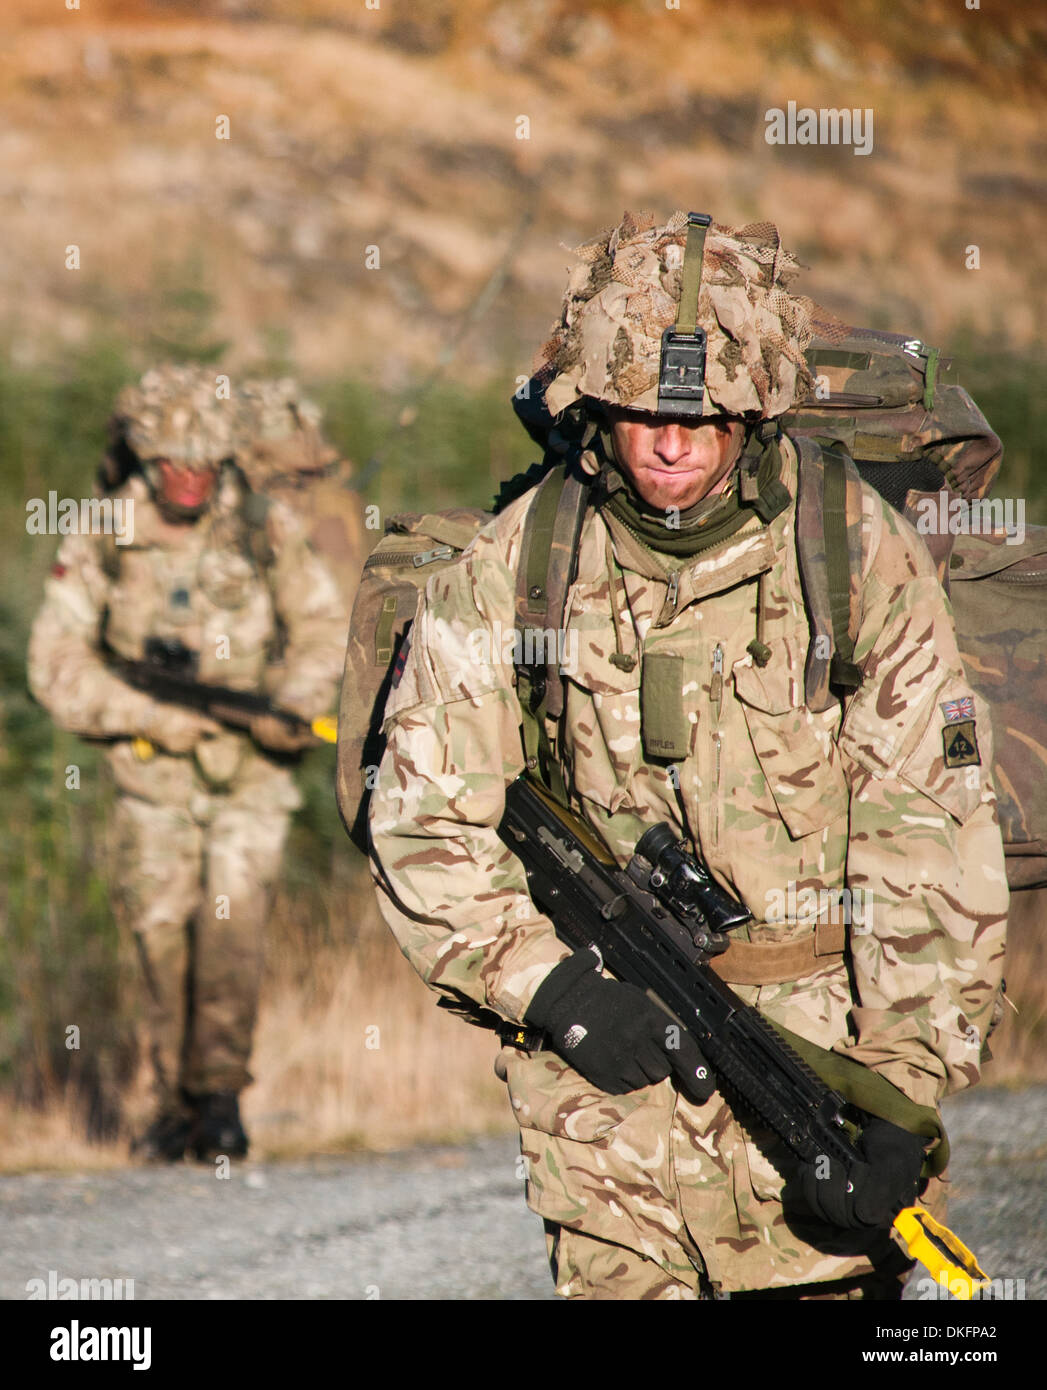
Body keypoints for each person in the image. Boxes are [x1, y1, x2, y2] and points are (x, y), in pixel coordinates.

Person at [364, 211, 1008, 1298]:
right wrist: (557, 991)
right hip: (601, 1099)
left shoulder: (850, 557)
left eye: (706, 416)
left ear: (753, 414)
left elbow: (931, 842)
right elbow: (423, 820)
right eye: (645, 413)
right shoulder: (519, 560)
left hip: (812, 1077)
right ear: (597, 404)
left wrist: (902, 1090)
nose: (672, 444)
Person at [28, 364, 348, 1162]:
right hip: (151, 777)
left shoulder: (263, 526)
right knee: (159, 935)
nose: (189, 480)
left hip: (251, 773)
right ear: (146, 457)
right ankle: (168, 1101)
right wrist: (146, 718)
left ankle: (220, 1099)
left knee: (232, 934)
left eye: (204, 466)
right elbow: (56, 658)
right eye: (173, 464)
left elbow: (321, 626)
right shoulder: (105, 530)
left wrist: (294, 707)